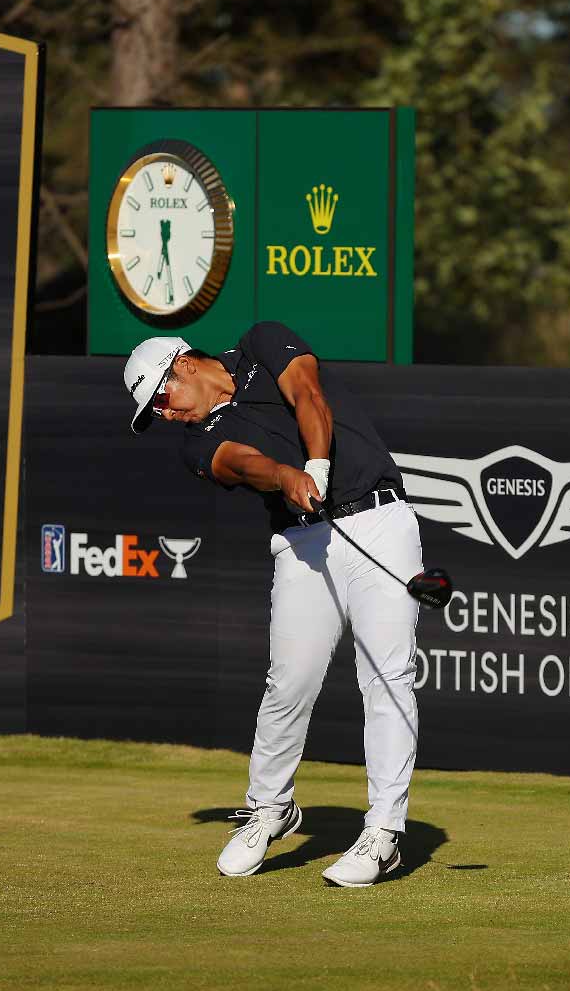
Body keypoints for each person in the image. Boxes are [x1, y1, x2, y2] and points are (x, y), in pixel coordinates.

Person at [123, 321, 422, 887]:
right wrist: (285, 476)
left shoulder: (262, 343)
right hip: (302, 540)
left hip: (380, 520)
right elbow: (241, 462)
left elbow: (308, 395)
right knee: (289, 682)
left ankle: (384, 832)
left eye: (160, 398)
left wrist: (316, 468)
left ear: (183, 364)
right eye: (153, 413)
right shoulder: (196, 444)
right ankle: (270, 809)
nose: (164, 413)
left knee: (388, 678)